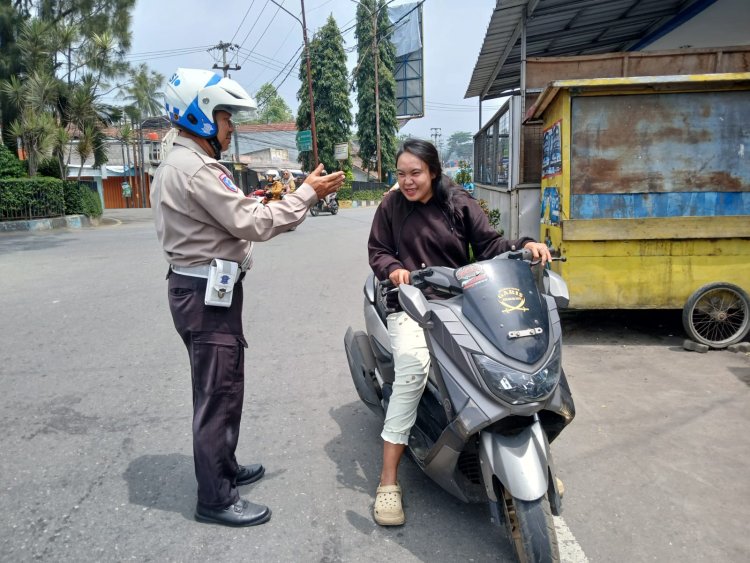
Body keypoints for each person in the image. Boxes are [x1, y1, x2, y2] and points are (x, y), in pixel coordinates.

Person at [151, 68, 345, 527]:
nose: (230, 126)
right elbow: (254, 224)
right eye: (224, 116)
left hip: (202, 290)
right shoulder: (194, 167)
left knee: (225, 386)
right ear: (200, 116)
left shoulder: (183, 162)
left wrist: (286, 197)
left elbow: (230, 215)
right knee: (217, 394)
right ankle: (216, 498)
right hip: (205, 295)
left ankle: (225, 467)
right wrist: (305, 196)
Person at [367, 139, 551, 526]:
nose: (407, 181)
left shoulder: (458, 202)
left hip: (460, 300)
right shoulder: (390, 206)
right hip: (410, 303)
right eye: (401, 174)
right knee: (415, 368)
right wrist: (394, 270)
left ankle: (520, 453)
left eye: (415, 173)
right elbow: (379, 250)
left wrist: (524, 245)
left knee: (499, 359)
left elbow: (490, 245)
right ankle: (387, 482)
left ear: (433, 171)